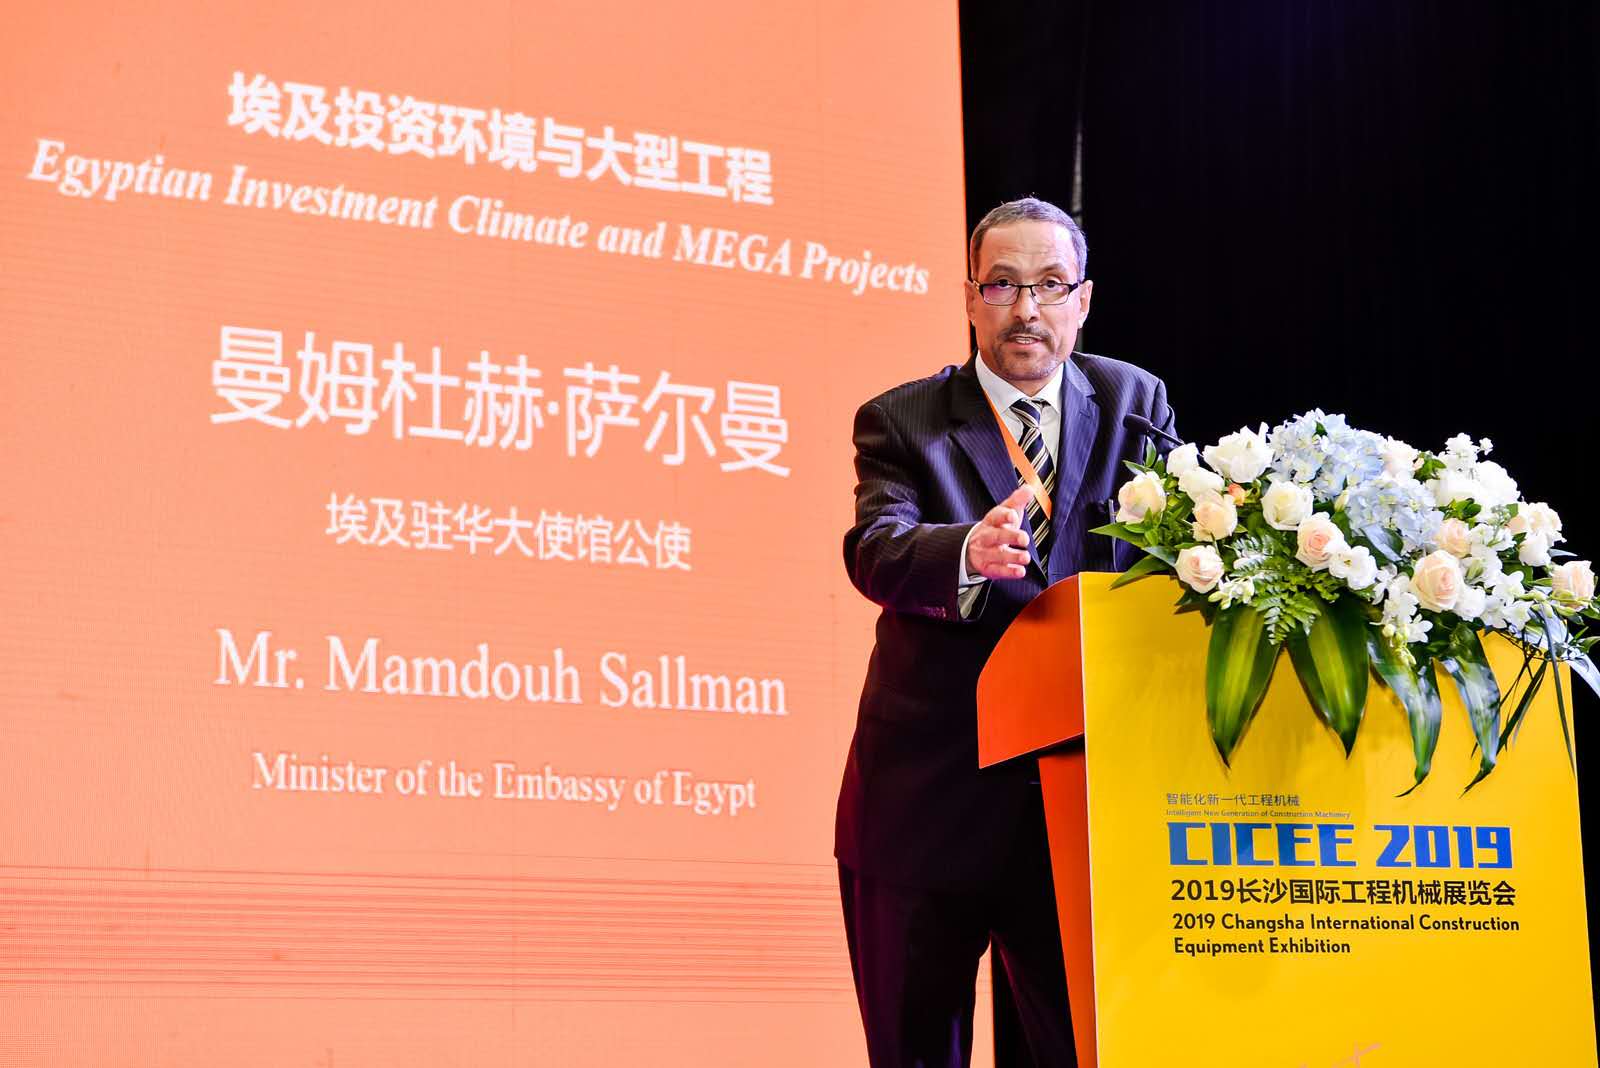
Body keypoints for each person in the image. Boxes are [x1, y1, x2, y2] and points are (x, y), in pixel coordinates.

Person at [835, 197, 1177, 1067]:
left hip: (1076, 805)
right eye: (1002, 285)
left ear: (1083, 299)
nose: (1027, 308)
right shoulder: (903, 418)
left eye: (1050, 284)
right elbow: (875, 548)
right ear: (970, 297)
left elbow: (1179, 548)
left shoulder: (1134, 401)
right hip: (929, 801)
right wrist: (964, 550)